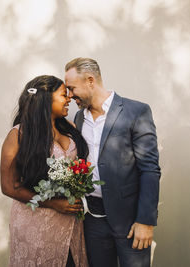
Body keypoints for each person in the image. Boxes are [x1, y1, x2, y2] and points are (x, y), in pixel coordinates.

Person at [65, 58, 161, 267]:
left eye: (72, 89)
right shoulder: (79, 118)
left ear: (90, 81)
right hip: (92, 220)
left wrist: (146, 221)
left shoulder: (136, 111)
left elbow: (150, 169)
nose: (70, 96)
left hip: (130, 221)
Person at [0, 75, 90, 267]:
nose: (69, 99)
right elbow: (8, 187)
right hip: (35, 221)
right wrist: (54, 203)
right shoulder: (19, 135)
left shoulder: (71, 129)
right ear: (45, 99)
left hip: (70, 221)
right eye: (63, 95)